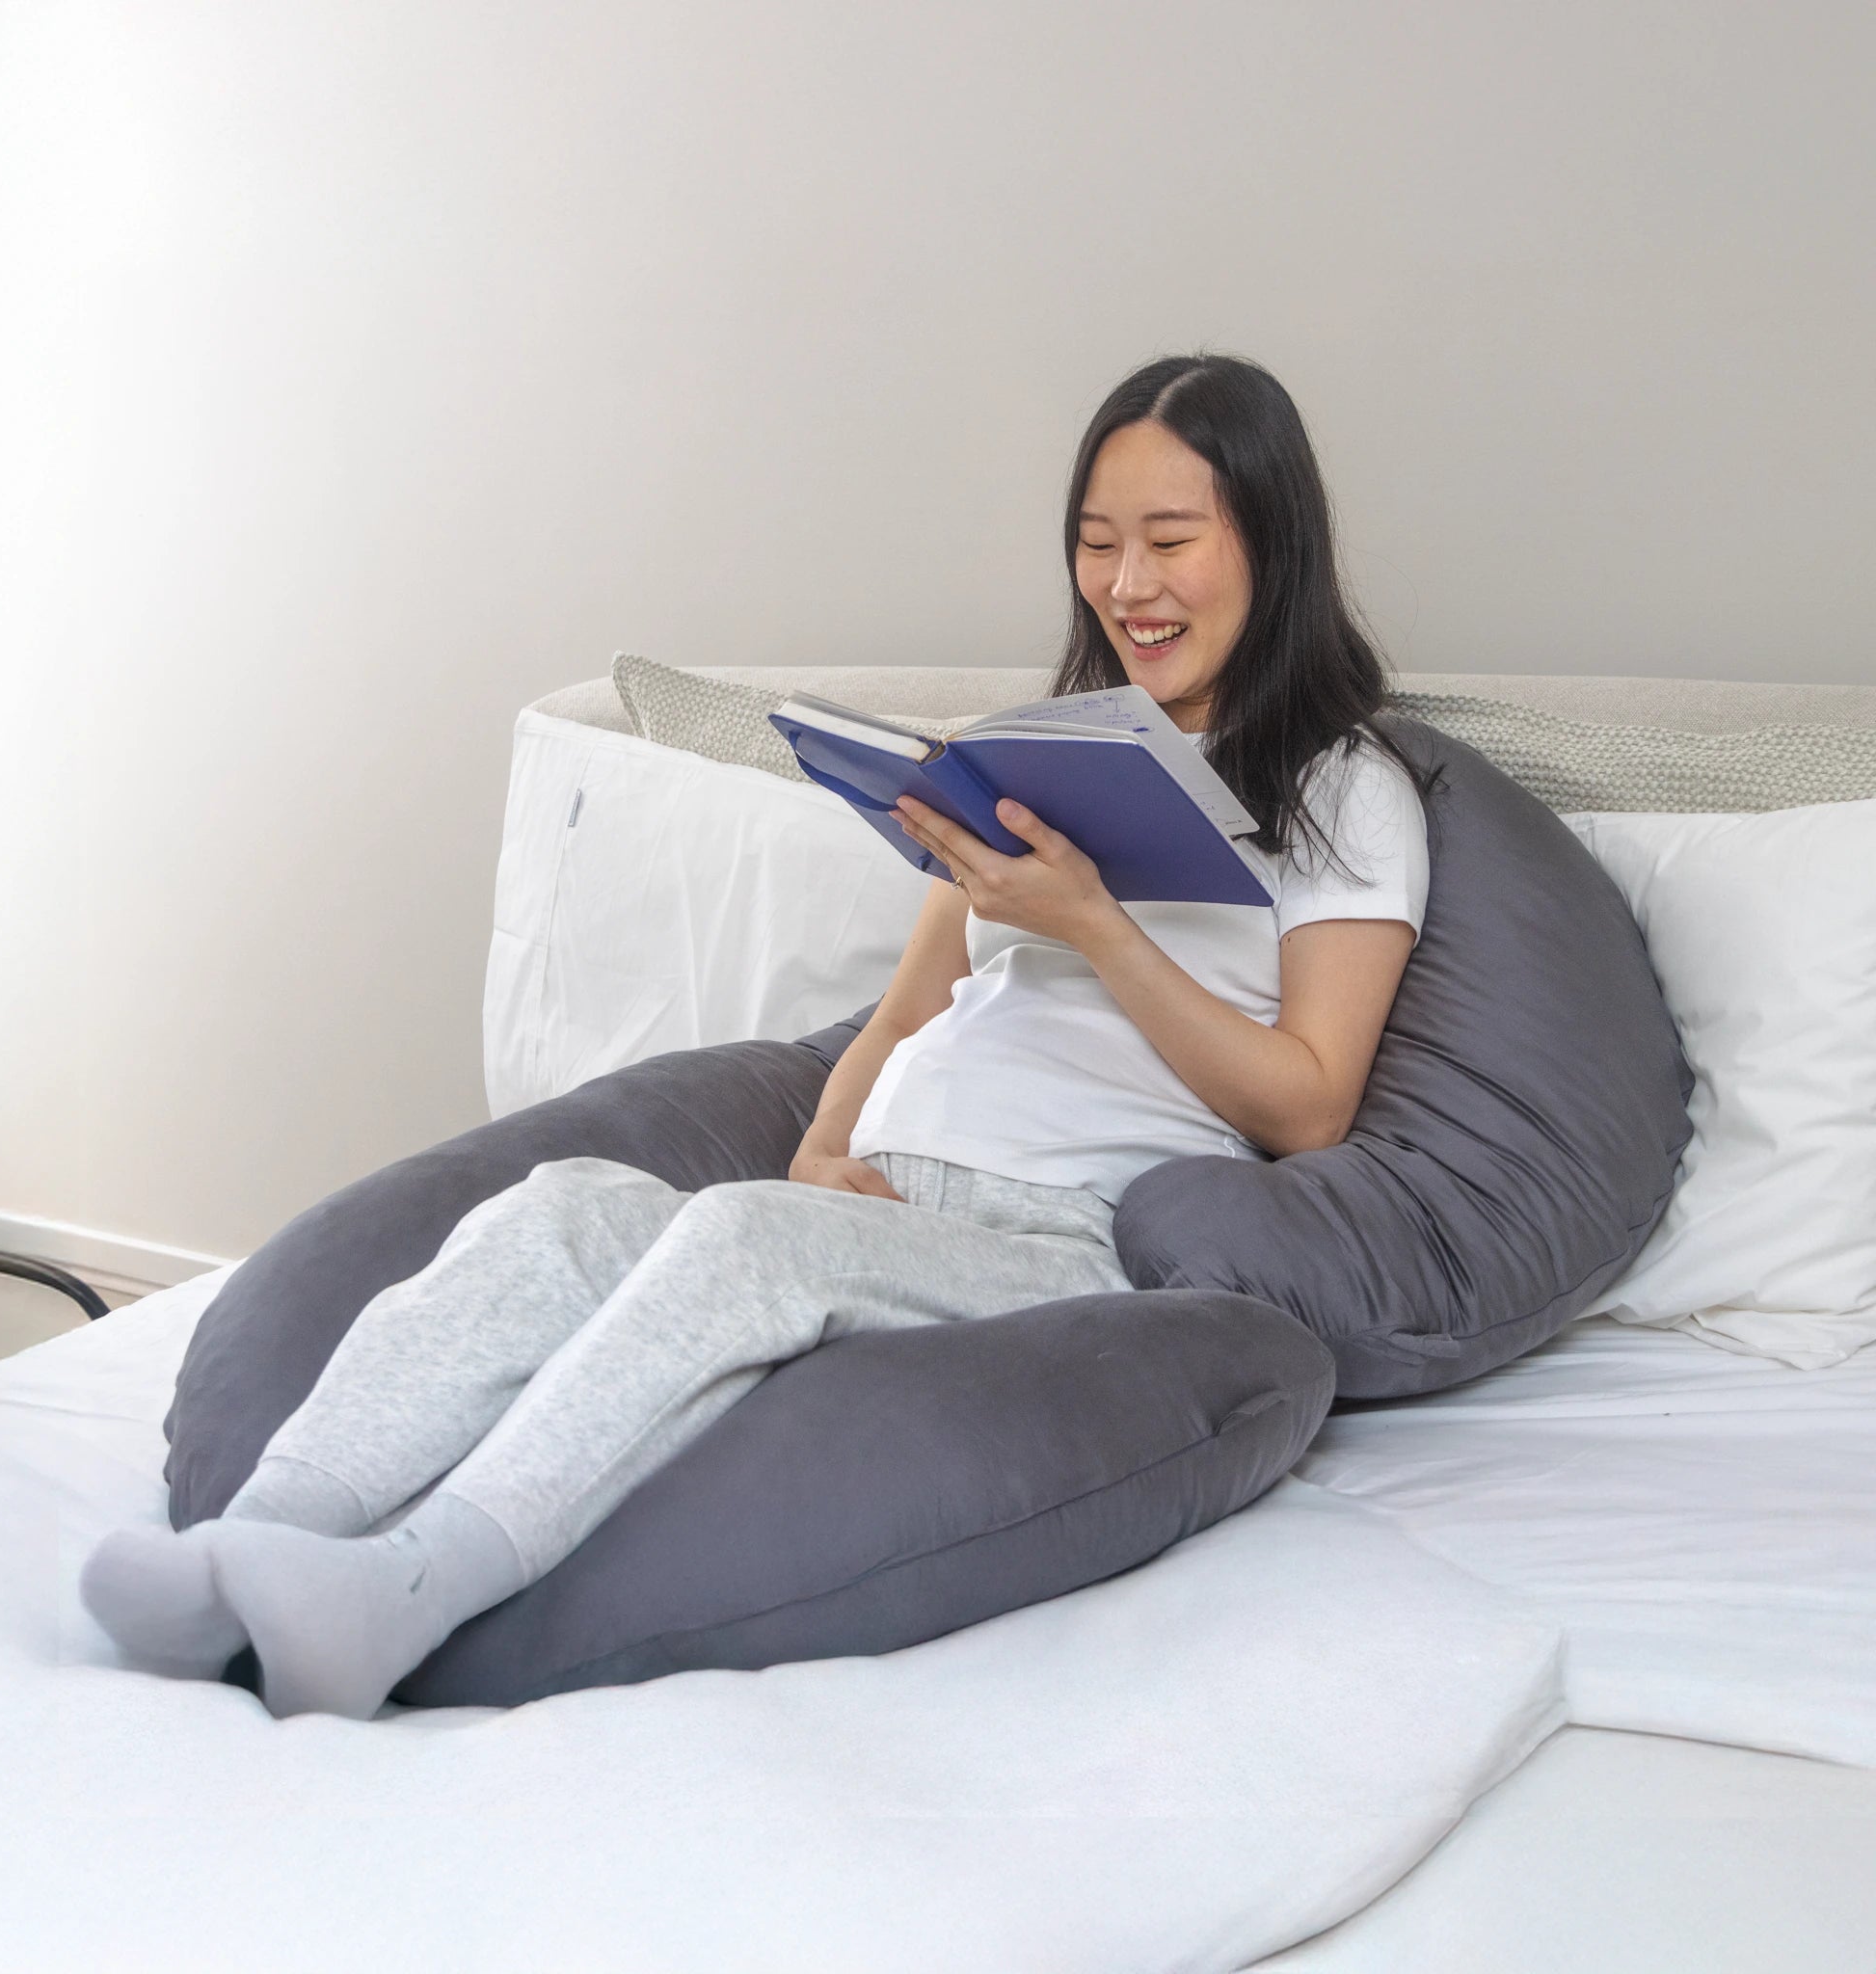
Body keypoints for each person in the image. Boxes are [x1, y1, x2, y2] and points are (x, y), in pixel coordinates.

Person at [81, 352, 1431, 1721]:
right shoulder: (1049, 757)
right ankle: (246, 1548)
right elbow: (910, 1012)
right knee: (560, 1207)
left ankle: (406, 1596)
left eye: (1169, 542)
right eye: (1096, 545)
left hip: (1057, 1240)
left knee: (734, 1241)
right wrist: (820, 1155)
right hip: (884, 1199)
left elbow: (1309, 1105)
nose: (1128, 585)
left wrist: (1092, 923)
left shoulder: (1344, 793)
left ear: (1269, 540)